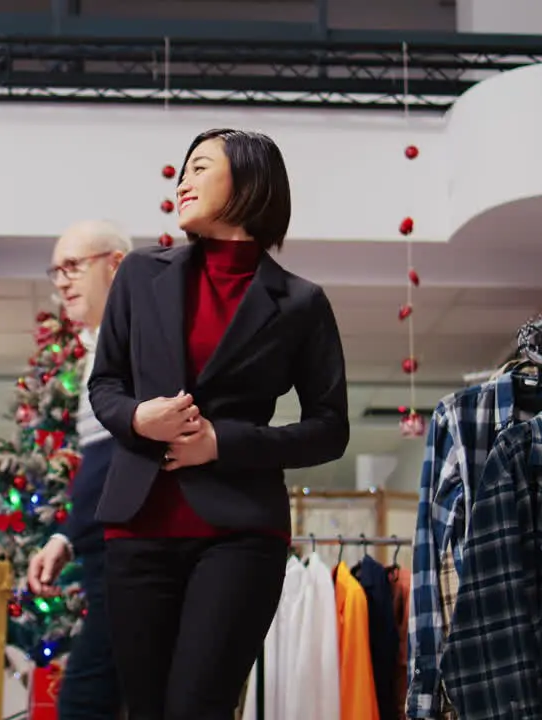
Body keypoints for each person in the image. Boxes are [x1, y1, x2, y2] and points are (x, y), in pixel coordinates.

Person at [87, 129, 350, 720]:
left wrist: (221, 444)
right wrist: (137, 416)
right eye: (182, 170)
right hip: (138, 528)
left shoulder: (302, 303)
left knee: (197, 708)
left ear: (250, 183)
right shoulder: (138, 273)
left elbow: (330, 427)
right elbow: (104, 384)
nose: (182, 181)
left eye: (200, 168)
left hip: (240, 533)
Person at [28, 220, 132, 719]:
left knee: (86, 700)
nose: (62, 282)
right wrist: (66, 537)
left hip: (129, 555)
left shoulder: (137, 345)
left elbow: (126, 459)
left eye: (74, 266)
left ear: (115, 264)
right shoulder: (97, 352)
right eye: (56, 271)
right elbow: (101, 465)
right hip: (103, 554)